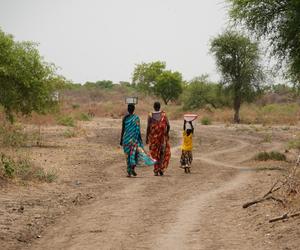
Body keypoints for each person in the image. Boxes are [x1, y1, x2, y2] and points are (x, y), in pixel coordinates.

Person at [120, 104, 155, 177]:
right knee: (134, 155)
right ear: (134, 109)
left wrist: (121, 139)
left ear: (127, 109)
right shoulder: (136, 118)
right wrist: (140, 139)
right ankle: (132, 169)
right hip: (134, 140)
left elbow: (123, 130)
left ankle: (129, 171)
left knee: (127, 156)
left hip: (126, 140)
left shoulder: (125, 118)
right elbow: (137, 130)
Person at [146, 102, 171, 176]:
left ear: (154, 107)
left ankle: (156, 170)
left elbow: (148, 127)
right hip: (162, 138)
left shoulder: (150, 115)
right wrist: (167, 134)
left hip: (153, 139)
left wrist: (147, 137)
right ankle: (161, 169)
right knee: (162, 153)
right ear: (159, 107)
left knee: (154, 154)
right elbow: (168, 125)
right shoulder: (164, 115)